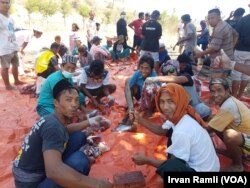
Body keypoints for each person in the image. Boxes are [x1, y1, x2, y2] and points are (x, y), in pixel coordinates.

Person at [12, 79, 113, 188]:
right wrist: (97, 184)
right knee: (80, 161)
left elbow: (65, 130)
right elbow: (53, 171)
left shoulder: (51, 118)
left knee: (79, 136)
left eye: (76, 100)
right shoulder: (53, 126)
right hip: (31, 183)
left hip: (37, 169)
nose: (74, 105)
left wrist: (90, 122)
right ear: (56, 103)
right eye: (68, 100)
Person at [131, 84, 219, 177]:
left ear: (179, 101)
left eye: (170, 101)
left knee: (169, 168)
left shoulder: (182, 130)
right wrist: (140, 120)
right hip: (210, 167)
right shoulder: (182, 114)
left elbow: (171, 166)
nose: (165, 107)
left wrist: (146, 160)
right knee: (171, 132)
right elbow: (162, 130)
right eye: (162, 102)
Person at [145, 59, 211, 120]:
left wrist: (155, 78)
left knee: (202, 109)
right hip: (182, 115)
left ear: (177, 70)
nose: (168, 74)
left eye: (171, 70)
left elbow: (176, 79)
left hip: (196, 111)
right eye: (166, 72)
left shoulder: (186, 78)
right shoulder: (166, 87)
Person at [208, 78, 250, 171]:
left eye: (219, 90)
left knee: (230, 135)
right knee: (214, 120)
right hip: (245, 138)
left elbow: (207, 129)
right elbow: (212, 123)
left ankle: (237, 165)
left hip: (247, 140)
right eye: (212, 91)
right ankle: (233, 152)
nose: (215, 94)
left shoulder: (229, 105)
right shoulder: (229, 101)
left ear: (227, 91)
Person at [195, 8, 238, 78]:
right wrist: (231, 47)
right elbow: (236, 35)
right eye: (208, 19)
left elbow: (213, 49)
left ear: (219, 17)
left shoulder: (219, 29)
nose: (210, 21)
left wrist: (200, 54)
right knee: (222, 81)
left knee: (216, 83)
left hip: (219, 63)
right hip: (227, 58)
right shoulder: (225, 24)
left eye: (212, 18)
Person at [123, 55, 157, 125]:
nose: (143, 71)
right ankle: (131, 110)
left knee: (153, 89)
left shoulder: (154, 76)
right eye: (141, 67)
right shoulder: (137, 74)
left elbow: (158, 92)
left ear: (151, 69)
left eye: (147, 68)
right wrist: (131, 107)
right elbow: (127, 88)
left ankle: (149, 109)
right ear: (139, 67)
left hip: (150, 98)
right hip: (141, 96)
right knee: (129, 84)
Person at [0, 0, 25, 90]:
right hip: (4, 47)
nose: (6, 4)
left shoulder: (10, 18)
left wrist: (16, 45)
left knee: (16, 65)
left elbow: (11, 31)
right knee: (5, 67)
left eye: (7, 2)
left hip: (13, 46)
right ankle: (7, 86)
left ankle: (16, 80)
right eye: (3, 2)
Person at [231, 13, 250, 98]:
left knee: (237, 74)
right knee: (246, 75)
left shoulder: (244, 19)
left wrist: (232, 48)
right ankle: (240, 96)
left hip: (241, 50)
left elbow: (236, 35)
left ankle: (234, 97)